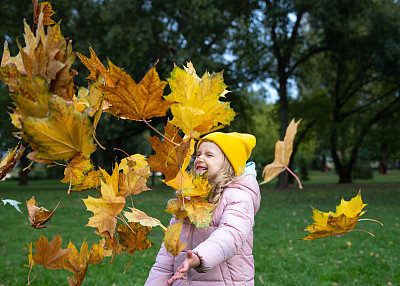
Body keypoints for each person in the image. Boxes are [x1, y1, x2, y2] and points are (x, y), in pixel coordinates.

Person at [145, 132, 261, 286]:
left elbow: (231, 235)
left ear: (228, 164)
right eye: (198, 153)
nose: (199, 158)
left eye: (209, 155)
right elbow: (167, 254)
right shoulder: (189, 199)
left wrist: (200, 257)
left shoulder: (239, 197)